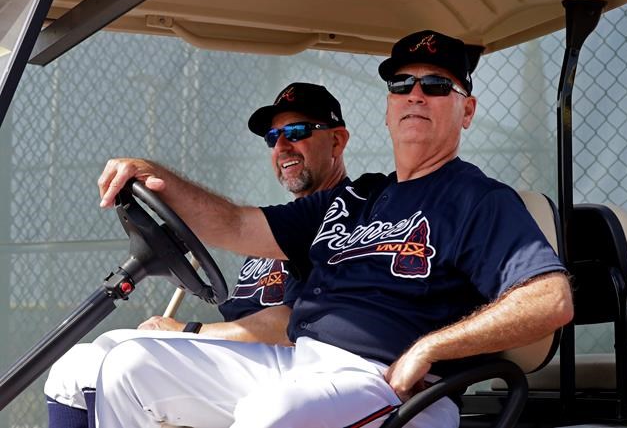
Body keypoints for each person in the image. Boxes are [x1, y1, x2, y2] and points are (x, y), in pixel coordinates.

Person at [92, 30, 573, 428]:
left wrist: (429, 348)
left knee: (270, 413)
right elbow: (236, 225)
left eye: (437, 85)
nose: (416, 94)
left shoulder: (478, 199)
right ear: (388, 109)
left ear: (466, 111)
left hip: (394, 386)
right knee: (128, 366)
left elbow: (550, 299)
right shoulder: (351, 197)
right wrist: (157, 176)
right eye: (402, 84)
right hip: (300, 365)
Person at [44, 82, 351, 428]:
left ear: (337, 141)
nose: (282, 146)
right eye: (272, 137)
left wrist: (189, 330)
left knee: (127, 363)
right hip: (244, 359)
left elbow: (290, 324)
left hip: (296, 365)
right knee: (75, 366)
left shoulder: (343, 215)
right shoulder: (280, 222)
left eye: (296, 132)